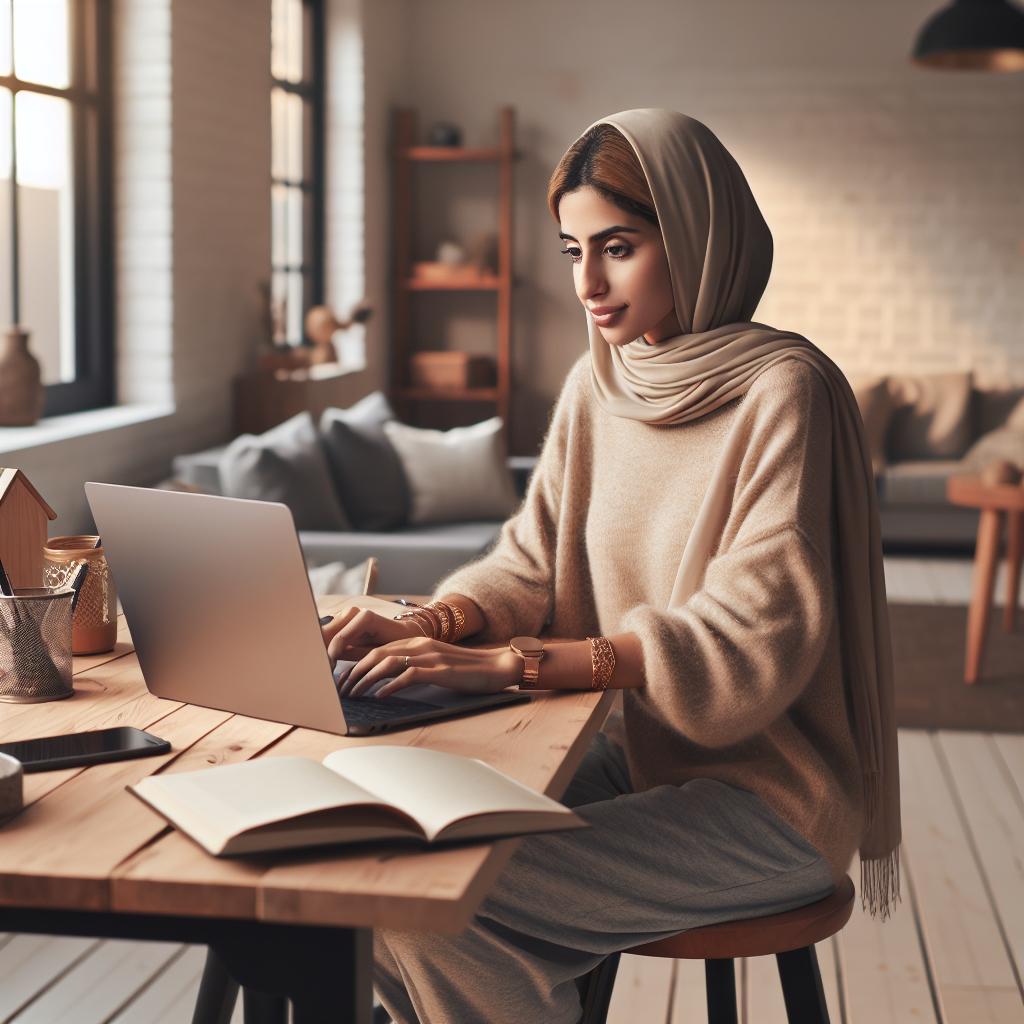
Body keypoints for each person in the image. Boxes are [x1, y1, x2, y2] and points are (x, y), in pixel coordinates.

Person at [322, 108, 900, 1024]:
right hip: (633, 757)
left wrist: (518, 663)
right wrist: (431, 621)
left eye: (618, 246)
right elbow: (530, 562)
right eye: (571, 250)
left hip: (771, 799)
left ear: (698, 237)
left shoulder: (785, 390)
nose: (587, 281)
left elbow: (752, 637)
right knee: (379, 872)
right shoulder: (603, 382)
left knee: (445, 900)